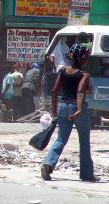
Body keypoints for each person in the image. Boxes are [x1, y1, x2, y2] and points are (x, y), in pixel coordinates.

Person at [41, 43, 99, 182]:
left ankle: (48, 165)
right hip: (77, 109)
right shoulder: (84, 74)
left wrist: (54, 112)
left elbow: (54, 92)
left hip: (63, 107)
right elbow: (80, 91)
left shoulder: (62, 71)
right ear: (83, 59)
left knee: (61, 139)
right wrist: (79, 109)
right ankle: (86, 174)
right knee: (84, 141)